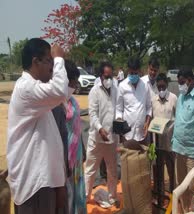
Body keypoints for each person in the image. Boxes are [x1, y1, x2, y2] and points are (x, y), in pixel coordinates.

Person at [6, 38, 68, 214]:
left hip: (43, 180)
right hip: (34, 183)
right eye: (49, 61)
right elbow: (60, 91)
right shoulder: (27, 88)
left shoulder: (35, 89)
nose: (51, 66)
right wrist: (59, 59)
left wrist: (59, 181)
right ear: (36, 62)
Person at [116, 57, 152, 213]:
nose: (133, 75)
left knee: (142, 171)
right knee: (129, 172)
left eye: (135, 73)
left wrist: (147, 122)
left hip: (142, 135)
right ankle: (130, 205)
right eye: (131, 73)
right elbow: (119, 109)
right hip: (128, 136)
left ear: (140, 71)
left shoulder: (145, 86)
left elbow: (149, 107)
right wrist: (121, 130)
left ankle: (142, 204)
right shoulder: (122, 86)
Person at [171, 67, 194, 212]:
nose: (180, 85)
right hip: (179, 149)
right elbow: (178, 121)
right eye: (179, 82)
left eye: (182, 82)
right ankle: (186, 210)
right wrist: (174, 144)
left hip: (193, 152)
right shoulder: (181, 96)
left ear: (190, 80)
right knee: (182, 184)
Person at [85, 62, 119, 207]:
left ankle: (112, 196)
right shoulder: (94, 91)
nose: (109, 79)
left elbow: (118, 108)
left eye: (111, 76)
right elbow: (92, 114)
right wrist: (100, 129)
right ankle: (85, 197)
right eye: (106, 76)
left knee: (112, 169)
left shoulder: (116, 89)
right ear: (100, 76)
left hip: (111, 139)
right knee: (91, 169)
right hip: (97, 139)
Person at [63, 60, 87, 214]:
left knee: (78, 193)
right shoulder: (55, 104)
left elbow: (78, 127)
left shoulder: (73, 101)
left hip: (77, 156)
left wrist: (83, 148)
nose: (75, 85)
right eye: (72, 82)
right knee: (68, 196)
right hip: (65, 160)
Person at [151, 73, 177, 193]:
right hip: (157, 141)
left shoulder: (173, 98)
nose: (161, 89)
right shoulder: (153, 100)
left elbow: (177, 117)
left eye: (163, 87)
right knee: (158, 166)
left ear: (167, 84)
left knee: (171, 166)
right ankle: (159, 189)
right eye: (159, 87)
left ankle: (172, 190)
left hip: (169, 141)